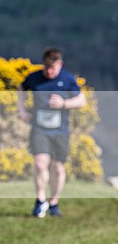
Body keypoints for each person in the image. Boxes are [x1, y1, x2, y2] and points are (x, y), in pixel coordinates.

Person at [17, 47, 85, 218]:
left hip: (60, 131)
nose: (49, 71)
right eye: (46, 66)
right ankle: (40, 201)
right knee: (40, 163)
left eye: (52, 67)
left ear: (60, 65)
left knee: (58, 167)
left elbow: (81, 100)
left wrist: (64, 104)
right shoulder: (34, 78)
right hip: (39, 129)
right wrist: (21, 111)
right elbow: (21, 90)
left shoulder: (68, 79)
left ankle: (54, 202)